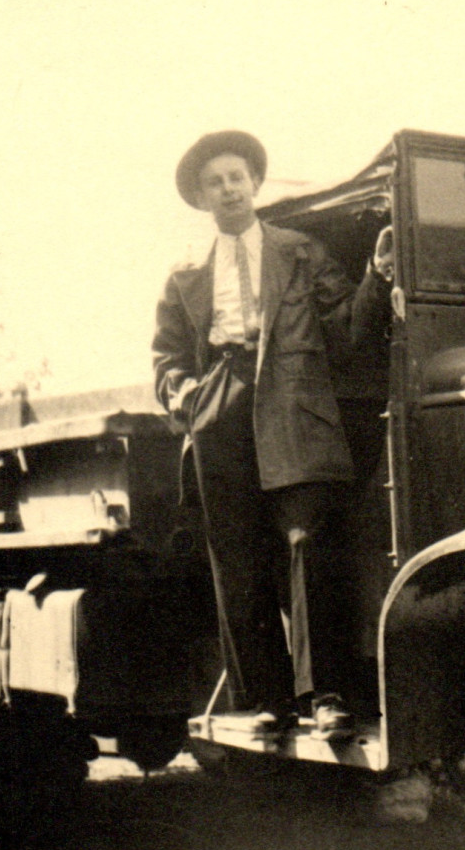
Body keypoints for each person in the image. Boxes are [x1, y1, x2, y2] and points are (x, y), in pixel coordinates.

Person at [153, 130, 391, 740]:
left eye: (236, 177)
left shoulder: (302, 251)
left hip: (295, 403)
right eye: (215, 182)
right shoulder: (185, 275)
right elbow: (167, 359)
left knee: (310, 543)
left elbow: (344, 331)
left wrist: (377, 275)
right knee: (239, 557)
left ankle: (329, 696)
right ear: (202, 198)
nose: (228, 189)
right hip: (221, 409)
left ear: (255, 184)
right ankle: (268, 700)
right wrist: (185, 396)